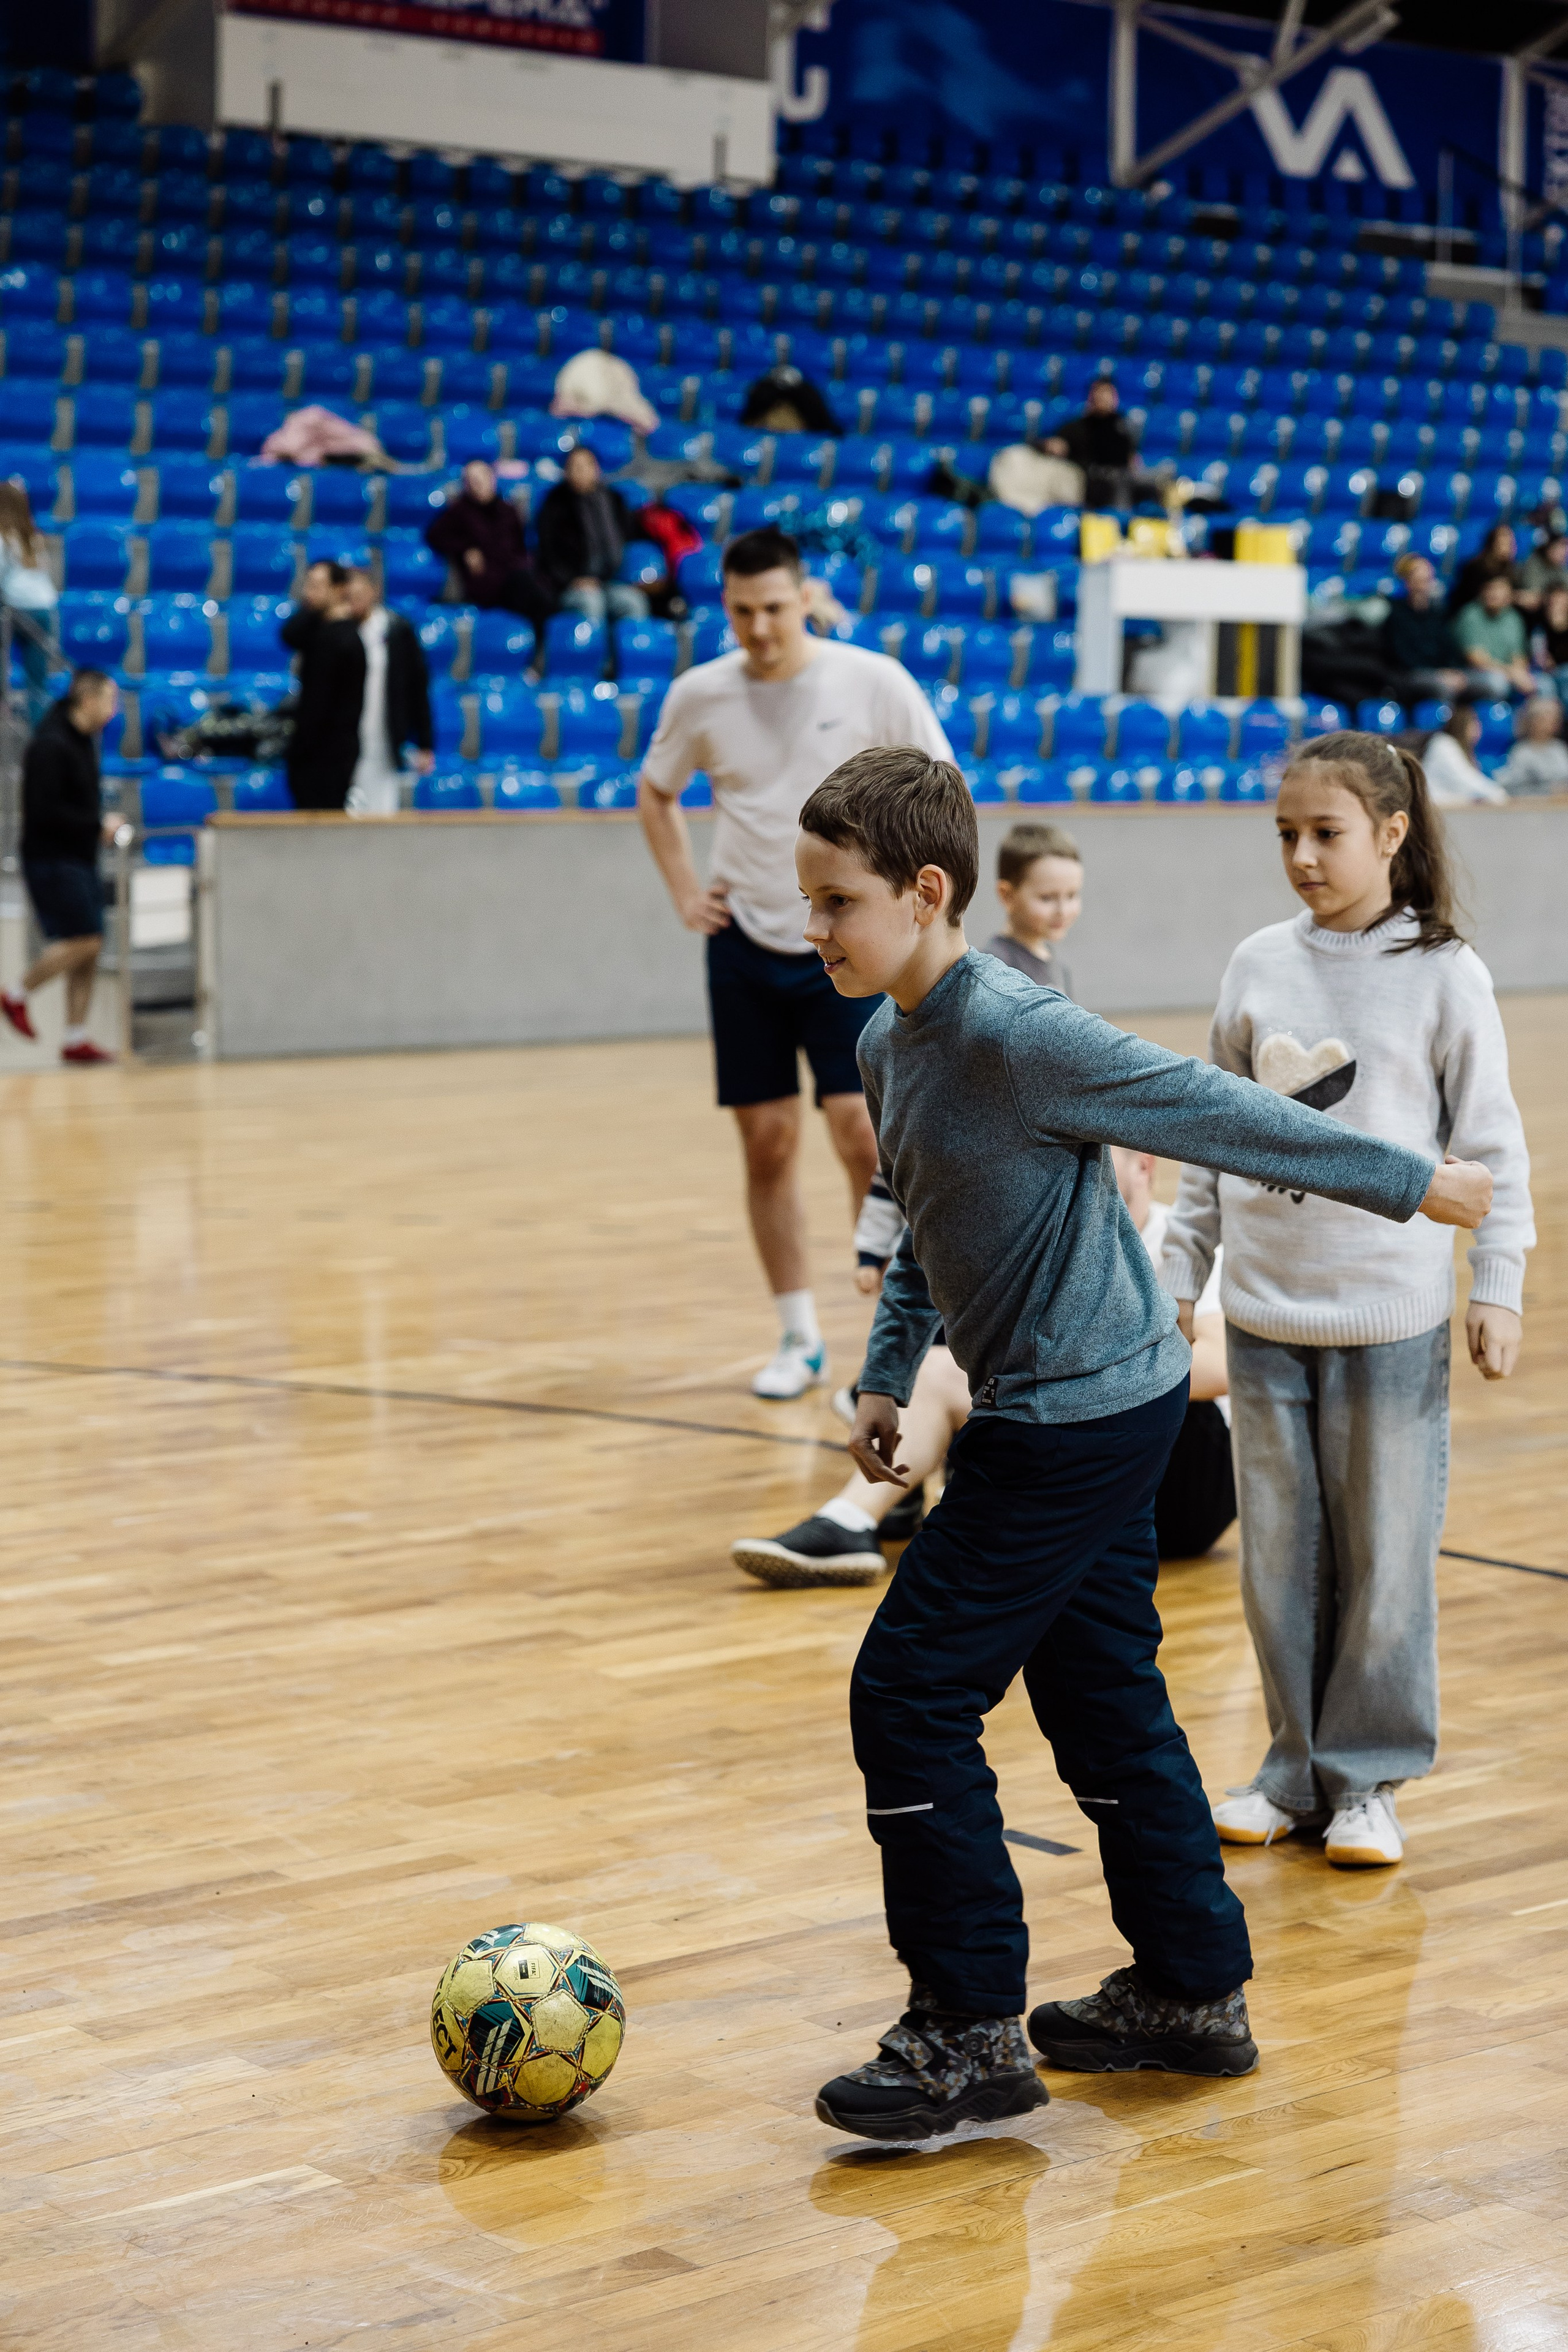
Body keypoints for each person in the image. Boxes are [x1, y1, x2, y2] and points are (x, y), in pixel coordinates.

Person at [791, 745, 1490, 2140]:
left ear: (925, 892)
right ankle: (1188, 1990)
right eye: (805, 901)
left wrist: (1409, 1184)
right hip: (1074, 1404)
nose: (812, 929)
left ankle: (965, 2029)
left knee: (909, 1691)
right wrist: (882, 1378)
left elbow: (1211, 1107)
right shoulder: (887, 1040)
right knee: (1099, 1694)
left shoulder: (1012, 1025)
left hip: (1080, 1417)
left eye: (834, 902)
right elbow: (922, 1222)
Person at [1163, 732, 1532, 1874]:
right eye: (1287, 834)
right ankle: (1291, 1768)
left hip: (1393, 1320)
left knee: (1385, 1557)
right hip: (1268, 1315)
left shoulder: (1445, 972)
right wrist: (1179, 1276)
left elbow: (1492, 1143)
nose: (1304, 856)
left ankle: (1368, 1779)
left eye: (1327, 834)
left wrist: (1498, 1283)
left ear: (1391, 833)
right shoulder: (1256, 963)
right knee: (1280, 1559)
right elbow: (1205, 1137)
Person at [638, 525, 954, 1400]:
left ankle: (897, 1349)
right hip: (745, 942)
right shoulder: (701, 694)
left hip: (852, 947)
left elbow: (943, 783)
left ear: (805, 596)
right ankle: (796, 1334)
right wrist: (684, 891)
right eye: (742, 612)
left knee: (864, 1137)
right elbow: (655, 789)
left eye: (775, 608)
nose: (761, 628)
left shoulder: (872, 681)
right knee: (766, 1141)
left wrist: (924, 912)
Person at [730, 1142, 1235, 1585]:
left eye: (1095, 1159)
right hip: (1089, 1477)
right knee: (956, 1357)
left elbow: (1218, 1366)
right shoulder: (1048, 1242)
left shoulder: (1177, 1241)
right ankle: (858, 1515)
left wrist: (1077, 1371)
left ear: (1143, 1166)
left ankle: (910, 1500)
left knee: (985, 1372)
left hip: (1187, 1480)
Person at [0, 668, 121, 1063]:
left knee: (92, 946)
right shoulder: (50, 745)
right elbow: (45, 811)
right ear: (88, 700)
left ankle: (74, 1036)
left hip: (79, 854)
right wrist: (96, 825)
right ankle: (16, 993)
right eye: (109, 700)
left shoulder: (84, 741)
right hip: (52, 858)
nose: (114, 710)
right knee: (83, 939)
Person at [342, 570, 435, 816]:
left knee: (383, 806)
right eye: (348, 596)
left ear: (374, 592)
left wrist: (425, 742)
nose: (354, 601)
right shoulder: (338, 633)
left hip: (385, 735)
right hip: (345, 738)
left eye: (359, 594)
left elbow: (417, 687)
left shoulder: (397, 630)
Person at [423, 461, 551, 631]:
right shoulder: (459, 512)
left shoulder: (508, 510)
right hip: (486, 583)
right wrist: (465, 548)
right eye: (471, 480)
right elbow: (434, 535)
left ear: (492, 479)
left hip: (515, 577)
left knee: (538, 590)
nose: (477, 484)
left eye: (481, 478)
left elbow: (520, 548)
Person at [279, 560, 364, 812]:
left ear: (339, 589)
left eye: (317, 586)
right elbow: (289, 635)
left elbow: (324, 705)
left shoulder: (344, 639)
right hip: (311, 754)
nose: (309, 592)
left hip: (329, 756)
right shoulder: (319, 630)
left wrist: (302, 752)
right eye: (307, 585)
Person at [533, 444, 649, 627]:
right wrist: (572, 580)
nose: (580, 471)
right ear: (566, 471)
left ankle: (627, 655)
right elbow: (548, 554)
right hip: (571, 585)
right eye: (574, 466)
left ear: (596, 469)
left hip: (610, 581)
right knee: (592, 604)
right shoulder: (554, 505)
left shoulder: (613, 500)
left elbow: (631, 536)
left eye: (586, 465)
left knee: (634, 602)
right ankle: (596, 655)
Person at [984, 821, 1082, 993]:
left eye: (1071, 895)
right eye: (1047, 898)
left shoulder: (1060, 970)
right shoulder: (995, 970)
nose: (1063, 911)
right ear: (1007, 895)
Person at [1041, 379, 1164, 513]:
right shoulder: (1077, 427)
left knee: (1156, 483)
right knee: (1119, 482)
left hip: (1126, 475)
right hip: (1095, 480)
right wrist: (1054, 446)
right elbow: (1051, 444)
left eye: (1108, 393)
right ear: (1091, 398)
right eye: (1100, 393)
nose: (1104, 398)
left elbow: (1131, 458)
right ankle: (1119, 520)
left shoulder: (1122, 425)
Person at [0, 479, 61, 725]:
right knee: (38, 683)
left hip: (18, 612)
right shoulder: (34, 536)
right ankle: (40, 737)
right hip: (45, 610)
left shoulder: (4, 538)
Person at [1379, 555, 1469, 704]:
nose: (1425, 580)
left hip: (1443, 672)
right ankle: (1448, 726)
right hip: (1412, 674)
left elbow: (1449, 648)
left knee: (1493, 683)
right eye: (1419, 577)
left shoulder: (1437, 613)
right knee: (1444, 686)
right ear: (1407, 581)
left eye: (1428, 577)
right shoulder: (1396, 615)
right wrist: (1440, 673)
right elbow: (1403, 658)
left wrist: (1454, 670)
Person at [1453, 573, 1532, 699]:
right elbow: (1476, 660)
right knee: (1498, 683)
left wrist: (1519, 673)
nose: (1494, 593)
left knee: (1543, 684)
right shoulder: (1470, 615)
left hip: (1506, 673)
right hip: (1471, 674)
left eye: (1499, 589)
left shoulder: (1513, 618)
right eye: (1489, 588)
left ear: (1509, 594)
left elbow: (1519, 656)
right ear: (1482, 592)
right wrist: (1511, 673)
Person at [1420, 706, 1507, 807]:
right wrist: (1496, 792)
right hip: (1435, 806)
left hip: (1450, 806)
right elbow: (1464, 779)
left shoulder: (1464, 751)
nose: (1479, 729)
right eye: (1474, 724)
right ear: (1462, 725)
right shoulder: (1443, 744)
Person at [1496, 694, 1568, 796]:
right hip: (1533, 806)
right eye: (1545, 718)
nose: (1552, 722)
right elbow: (1514, 789)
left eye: (1554, 718)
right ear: (1532, 721)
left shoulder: (1559, 748)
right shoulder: (1521, 751)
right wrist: (1549, 791)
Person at [1446, 521, 1519, 617]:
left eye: (1511, 544)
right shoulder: (1475, 568)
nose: (1510, 548)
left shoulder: (1511, 569)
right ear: (1492, 544)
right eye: (1505, 543)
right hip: (1472, 615)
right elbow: (1470, 598)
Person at [1513, 525, 1568, 616]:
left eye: (1565, 547)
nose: (1564, 552)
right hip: (1528, 613)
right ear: (1548, 548)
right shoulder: (1533, 563)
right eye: (1560, 546)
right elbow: (1533, 597)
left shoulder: (1560, 567)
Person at [1529, 579, 1568, 697]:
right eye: (1554, 599)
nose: (1557, 602)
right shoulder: (1539, 625)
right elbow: (1541, 660)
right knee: (1545, 686)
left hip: (1565, 671)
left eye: (1561, 598)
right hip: (1546, 673)